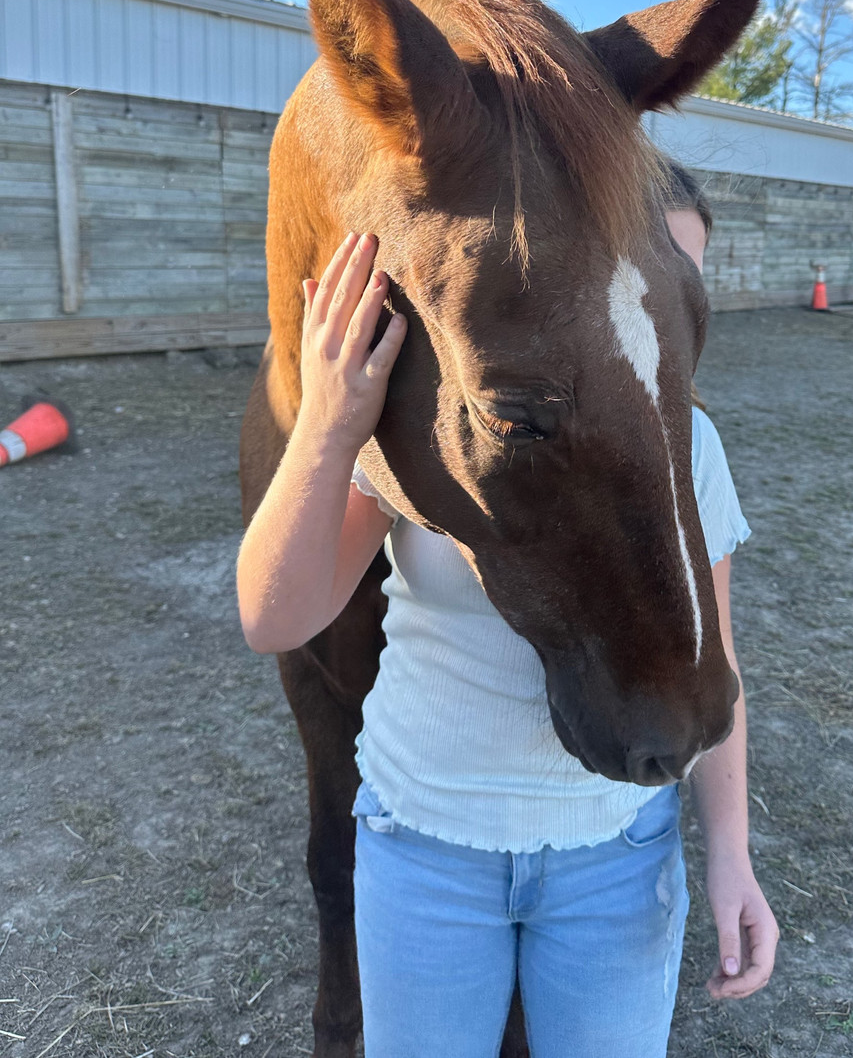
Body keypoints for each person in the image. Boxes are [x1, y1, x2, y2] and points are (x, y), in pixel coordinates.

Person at [236, 168, 778, 1058]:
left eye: (688, 285)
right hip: (425, 850)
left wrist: (732, 853)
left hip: (614, 858)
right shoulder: (436, 419)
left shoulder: (697, 448)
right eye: (654, 268)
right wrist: (332, 426)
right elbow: (274, 621)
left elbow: (714, 653)